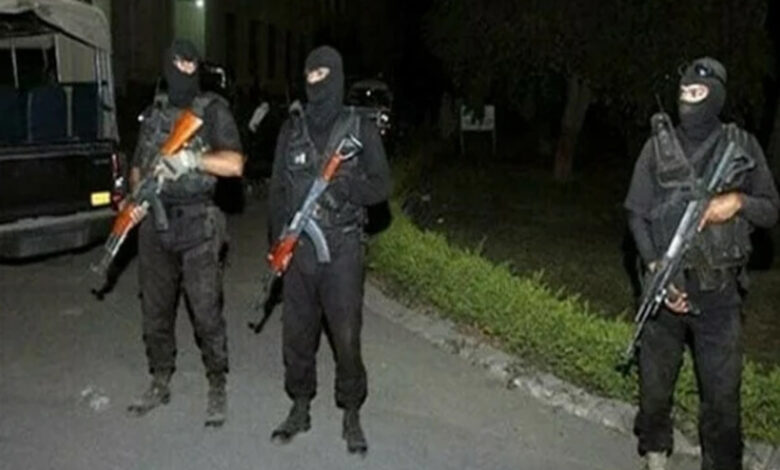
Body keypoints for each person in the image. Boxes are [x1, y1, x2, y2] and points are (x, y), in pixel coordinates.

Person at [624, 57, 779, 470]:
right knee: (655, 387)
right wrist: (654, 267)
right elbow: (636, 212)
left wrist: (737, 202)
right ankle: (655, 451)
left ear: (717, 97)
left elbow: (770, 209)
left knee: (722, 398)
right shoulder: (658, 147)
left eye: (699, 93)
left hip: (719, 297)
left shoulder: (741, 145)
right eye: (684, 93)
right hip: (666, 290)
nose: (689, 102)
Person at [267, 45, 392, 455]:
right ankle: (300, 406)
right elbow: (278, 190)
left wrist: (347, 189)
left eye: (323, 74)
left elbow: (381, 185)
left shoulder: (359, 127)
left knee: (346, 336)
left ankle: (351, 412)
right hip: (299, 250)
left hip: (342, 250)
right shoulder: (292, 128)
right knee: (297, 336)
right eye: (310, 74)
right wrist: (278, 245)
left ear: (336, 77)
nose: (315, 81)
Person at [125, 39, 244, 428]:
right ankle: (160, 378)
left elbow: (235, 164)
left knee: (206, 312)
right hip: (155, 223)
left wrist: (192, 160)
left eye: (192, 65)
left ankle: (217, 382)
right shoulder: (154, 112)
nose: (185, 71)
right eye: (178, 63)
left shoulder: (213, 110)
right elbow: (138, 164)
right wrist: (137, 196)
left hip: (198, 224)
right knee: (155, 312)